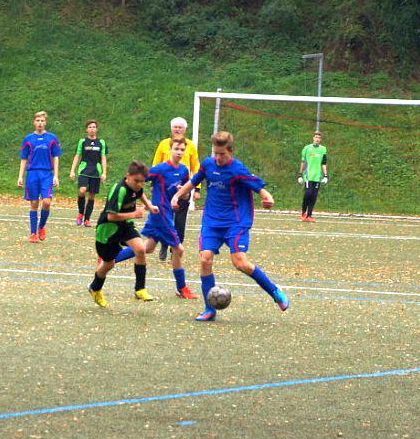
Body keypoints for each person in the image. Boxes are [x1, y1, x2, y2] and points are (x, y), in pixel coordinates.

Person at [171, 131, 289, 321]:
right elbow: (193, 182)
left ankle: (274, 291)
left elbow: (257, 186)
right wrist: (177, 196)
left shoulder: (237, 169)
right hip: (211, 221)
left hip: (235, 222)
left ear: (231, 151)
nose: (218, 158)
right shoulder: (208, 164)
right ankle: (209, 309)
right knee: (205, 260)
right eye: (215, 153)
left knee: (240, 262)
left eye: (222, 154)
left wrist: (267, 196)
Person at [110, 137, 198, 299]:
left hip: (166, 213)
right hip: (160, 214)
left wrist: (182, 194)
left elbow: (185, 195)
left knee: (147, 248)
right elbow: (138, 182)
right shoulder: (159, 169)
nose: (179, 152)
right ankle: (182, 288)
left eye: (182, 149)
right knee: (179, 249)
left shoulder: (184, 171)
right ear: (170, 150)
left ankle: (110, 258)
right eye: (176, 149)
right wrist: (137, 199)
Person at [88, 160, 159, 307]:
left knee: (140, 249)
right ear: (127, 176)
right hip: (107, 231)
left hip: (125, 226)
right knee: (109, 264)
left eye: (142, 182)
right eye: (136, 181)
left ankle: (140, 289)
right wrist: (134, 214)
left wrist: (150, 206)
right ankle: (95, 288)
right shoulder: (119, 190)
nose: (139, 184)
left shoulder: (136, 187)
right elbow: (110, 216)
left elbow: (140, 194)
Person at [152, 117, 200, 259]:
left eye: (180, 127)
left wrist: (197, 188)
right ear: (171, 128)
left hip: (183, 188)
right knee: (166, 219)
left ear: (185, 129)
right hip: (165, 189)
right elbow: (155, 164)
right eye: (175, 127)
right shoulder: (163, 144)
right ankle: (164, 244)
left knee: (180, 221)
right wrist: (153, 184)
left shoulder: (190, 146)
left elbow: (196, 167)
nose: (177, 129)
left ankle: (176, 249)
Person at [17, 111, 61, 242]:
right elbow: (24, 159)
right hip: (32, 174)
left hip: (46, 174)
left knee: (46, 202)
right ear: (34, 122)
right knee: (34, 203)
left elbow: (56, 157)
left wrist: (56, 176)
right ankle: (33, 233)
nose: (40, 123)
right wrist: (20, 176)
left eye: (42, 121)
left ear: (45, 122)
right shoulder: (28, 139)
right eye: (38, 121)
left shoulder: (52, 138)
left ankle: (41, 227)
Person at [69, 120, 107, 227]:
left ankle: (87, 219)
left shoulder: (101, 142)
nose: (92, 129)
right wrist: (72, 170)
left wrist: (104, 172)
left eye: (94, 127)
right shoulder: (82, 141)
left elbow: (103, 158)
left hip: (96, 171)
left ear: (97, 129)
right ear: (86, 129)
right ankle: (81, 213)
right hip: (84, 170)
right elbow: (77, 155)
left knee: (91, 196)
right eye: (90, 127)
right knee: (82, 190)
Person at [298, 130, 328, 222]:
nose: (317, 139)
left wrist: (325, 175)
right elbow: (303, 162)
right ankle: (303, 212)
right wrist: (300, 175)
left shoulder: (323, 149)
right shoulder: (307, 148)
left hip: (317, 176)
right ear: (313, 138)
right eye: (316, 137)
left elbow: (323, 163)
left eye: (319, 138)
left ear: (321, 139)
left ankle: (309, 215)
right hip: (308, 176)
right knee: (308, 194)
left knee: (314, 196)